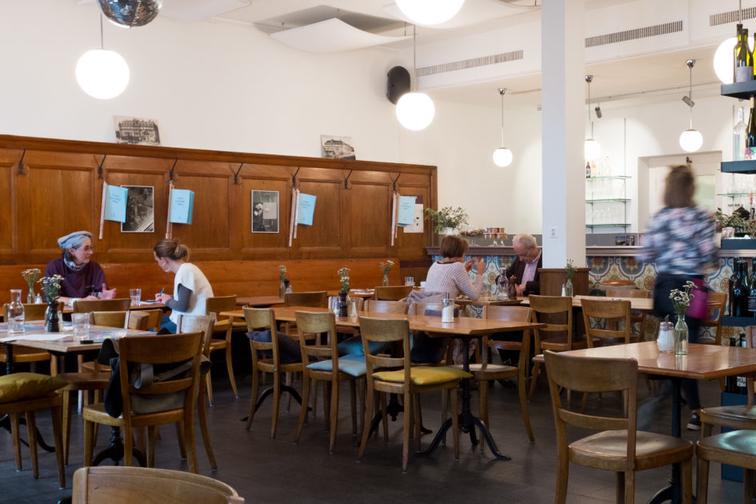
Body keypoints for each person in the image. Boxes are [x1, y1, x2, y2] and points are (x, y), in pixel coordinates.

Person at [639, 165, 717, 430]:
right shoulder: (701, 217)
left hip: (664, 288)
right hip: (691, 288)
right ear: (691, 188)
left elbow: (644, 254)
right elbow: (710, 256)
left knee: (669, 344)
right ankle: (693, 409)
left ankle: (670, 392)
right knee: (688, 349)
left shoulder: (660, 218)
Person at [408, 235, 485, 363]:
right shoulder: (457, 267)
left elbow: (451, 286)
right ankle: (461, 365)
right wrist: (480, 273)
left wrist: (464, 272)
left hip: (427, 318)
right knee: (475, 331)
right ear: (460, 251)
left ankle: (455, 363)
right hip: (443, 318)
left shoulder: (434, 265)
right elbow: (474, 295)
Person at [153, 239, 214, 334]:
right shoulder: (188, 268)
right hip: (197, 322)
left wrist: (167, 301)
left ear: (164, 260)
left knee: (151, 329)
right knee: (158, 322)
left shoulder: (185, 271)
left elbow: (182, 306)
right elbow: (189, 299)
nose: (158, 264)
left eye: (157, 261)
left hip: (193, 325)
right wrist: (170, 298)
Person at [45, 230, 116, 305]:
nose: (91, 252)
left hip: (89, 311)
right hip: (64, 311)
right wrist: (77, 301)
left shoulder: (94, 267)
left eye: (91, 248)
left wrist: (102, 297)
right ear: (72, 251)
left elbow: (100, 292)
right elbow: (51, 297)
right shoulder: (54, 266)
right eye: (86, 248)